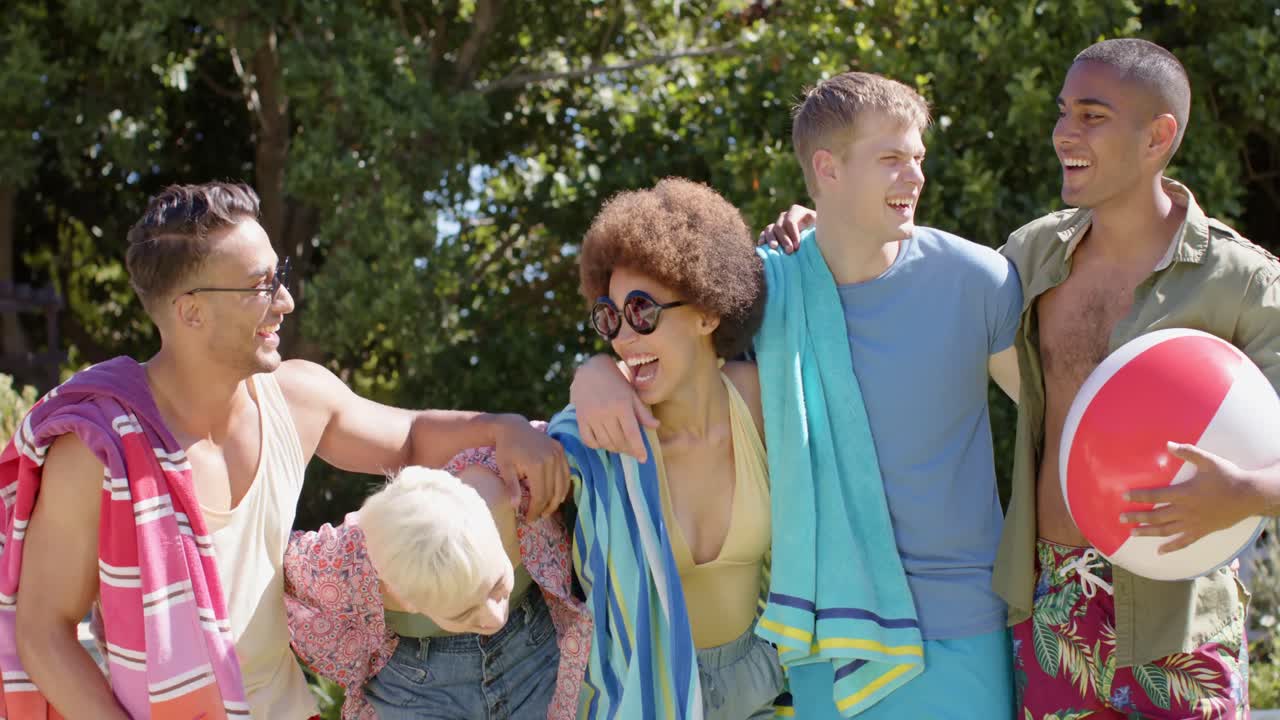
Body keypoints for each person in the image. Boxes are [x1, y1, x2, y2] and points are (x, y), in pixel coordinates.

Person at [0, 182, 568, 720]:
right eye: (261, 285)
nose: (286, 301)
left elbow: (413, 438)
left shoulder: (295, 399)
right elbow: (45, 633)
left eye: (281, 277)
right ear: (191, 310)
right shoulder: (99, 450)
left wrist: (502, 428)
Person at [576, 74, 1023, 719]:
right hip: (823, 633)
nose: (915, 177)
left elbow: (1048, 426)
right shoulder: (768, 295)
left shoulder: (977, 279)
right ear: (827, 167)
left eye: (918, 159)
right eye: (892, 159)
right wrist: (592, 374)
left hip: (963, 624)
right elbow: (669, 368)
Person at [996, 39, 1276, 717]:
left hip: (1184, 617)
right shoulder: (1030, 256)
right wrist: (824, 231)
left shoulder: (1243, 282)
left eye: (1092, 115)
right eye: (1064, 112)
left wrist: (1246, 490)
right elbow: (918, 287)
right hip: (1054, 601)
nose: (1064, 131)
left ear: (1159, 136)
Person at [556, 177, 783, 719]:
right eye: (609, 317)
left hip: (765, 686)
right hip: (642, 695)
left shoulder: (763, 402)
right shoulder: (602, 436)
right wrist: (587, 374)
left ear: (707, 312)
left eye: (641, 310)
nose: (622, 338)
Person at [283, 458, 590, 720]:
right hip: (417, 686)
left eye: (496, 585)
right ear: (404, 598)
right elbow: (258, 556)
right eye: (464, 611)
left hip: (533, 653)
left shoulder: (512, 490)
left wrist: (518, 435)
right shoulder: (340, 568)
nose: (494, 617)